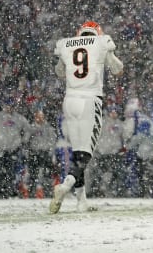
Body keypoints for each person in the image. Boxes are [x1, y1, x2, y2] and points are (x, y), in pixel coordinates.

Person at [49, 20, 124, 214]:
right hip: (90, 99)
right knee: (86, 152)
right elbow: (117, 69)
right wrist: (108, 54)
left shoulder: (66, 44)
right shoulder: (101, 42)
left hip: (70, 99)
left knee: (77, 151)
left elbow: (59, 72)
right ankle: (65, 185)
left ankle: (81, 201)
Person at [0, 97, 31, 198]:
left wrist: (22, 141)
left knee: (11, 171)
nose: (8, 108)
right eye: (6, 106)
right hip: (0, 148)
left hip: (13, 149)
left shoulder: (19, 118)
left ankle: (9, 191)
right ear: (3, 106)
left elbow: (28, 129)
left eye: (10, 106)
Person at [26, 110, 58, 198]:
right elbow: (26, 140)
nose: (39, 119)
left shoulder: (48, 128)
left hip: (45, 152)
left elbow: (53, 141)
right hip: (34, 153)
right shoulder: (31, 128)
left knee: (47, 173)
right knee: (33, 174)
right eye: (38, 116)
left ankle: (48, 192)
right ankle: (31, 192)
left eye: (41, 117)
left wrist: (50, 152)